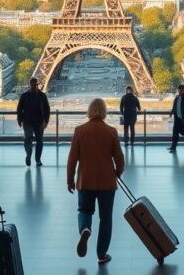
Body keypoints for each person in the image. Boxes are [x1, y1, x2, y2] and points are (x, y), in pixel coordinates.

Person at [67, 98, 125, 265]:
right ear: (104, 111)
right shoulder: (111, 131)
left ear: (89, 110)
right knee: (106, 218)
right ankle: (102, 254)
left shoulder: (80, 131)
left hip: (85, 180)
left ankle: (85, 228)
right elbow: (119, 159)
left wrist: (70, 180)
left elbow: (72, 160)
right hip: (107, 181)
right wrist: (117, 173)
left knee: (84, 210)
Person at [16, 78, 50, 166]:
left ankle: (29, 154)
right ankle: (37, 159)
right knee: (39, 141)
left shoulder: (24, 96)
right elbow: (47, 109)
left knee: (28, 139)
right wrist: (46, 121)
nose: (33, 86)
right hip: (36, 122)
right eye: (33, 85)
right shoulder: (42, 96)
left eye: (33, 85)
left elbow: (19, 109)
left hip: (30, 121)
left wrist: (20, 120)